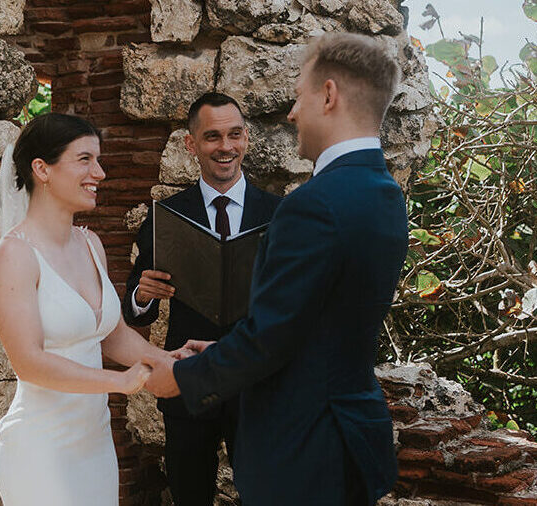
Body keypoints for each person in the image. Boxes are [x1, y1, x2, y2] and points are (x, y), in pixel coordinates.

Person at [143, 32, 408, 505]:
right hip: (350, 434)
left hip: (304, 448)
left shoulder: (313, 205)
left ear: (328, 96)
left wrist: (183, 378)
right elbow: (313, 326)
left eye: (299, 96)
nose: (291, 113)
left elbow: (270, 338)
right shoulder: (384, 193)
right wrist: (221, 347)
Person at [0, 113, 172, 506]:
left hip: (94, 444)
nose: (99, 173)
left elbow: (114, 334)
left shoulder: (91, 244)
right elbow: (29, 363)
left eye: (98, 160)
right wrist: (119, 383)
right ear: (42, 169)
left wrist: (170, 360)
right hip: (40, 450)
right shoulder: (13, 256)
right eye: (85, 159)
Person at [124, 92, 281, 505]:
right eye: (212, 136)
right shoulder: (166, 217)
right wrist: (142, 293)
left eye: (234, 134)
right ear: (191, 145)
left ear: (246, 138)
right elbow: (137, 310)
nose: (225, 147)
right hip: (190, 384)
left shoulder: (281, 215)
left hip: (257, 386)